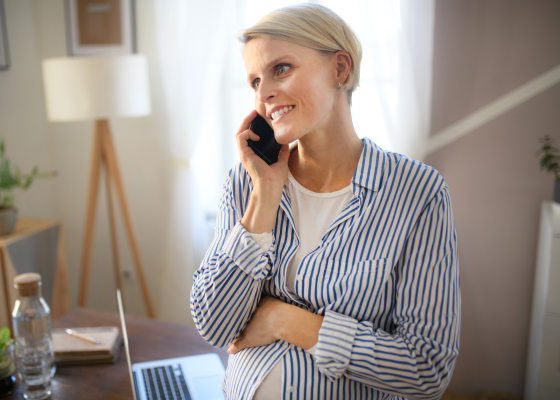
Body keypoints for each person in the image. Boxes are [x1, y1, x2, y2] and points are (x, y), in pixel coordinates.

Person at [190, 3, 460, 399]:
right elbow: (215, 325)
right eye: (254, 81)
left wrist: (287, 321)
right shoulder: (246, 182)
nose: (264, 94)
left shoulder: (418, 193)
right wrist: (264, 196)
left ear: (340, 69)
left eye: (281, 69)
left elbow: (425, 368)